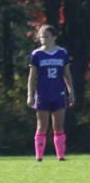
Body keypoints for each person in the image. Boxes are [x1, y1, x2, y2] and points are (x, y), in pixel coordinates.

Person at [27, 24, 75, 161]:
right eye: (41, 37)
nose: (43, 39)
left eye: (46, 36)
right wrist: (30, 95)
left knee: (58, 126)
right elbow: (32, 77)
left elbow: (67, 74)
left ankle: (60, 156)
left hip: (58, 93)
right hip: (42, 94)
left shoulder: (62, 53)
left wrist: (71, 92)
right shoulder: (36, 54)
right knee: (42, 126)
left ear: (54, 37)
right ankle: (39, 157)